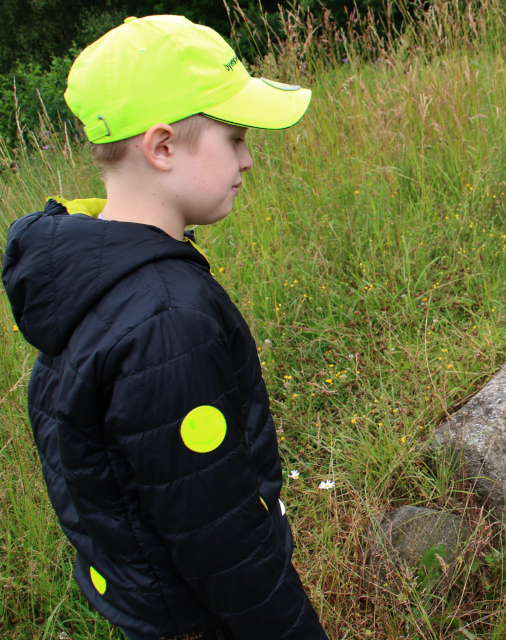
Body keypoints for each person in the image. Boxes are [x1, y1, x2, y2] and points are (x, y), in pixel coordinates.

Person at [1, 15, 329, 640]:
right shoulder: (167, 318)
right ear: (162, 147)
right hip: (200, 618)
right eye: (233, 138)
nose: (249, 158)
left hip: (151, 604)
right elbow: (222, 538)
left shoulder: (89, 274)